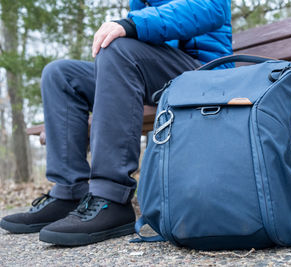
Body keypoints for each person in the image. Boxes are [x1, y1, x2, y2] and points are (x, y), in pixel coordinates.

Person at [0, 0, 232, 246]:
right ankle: (68, 194)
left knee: (118, 49)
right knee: (60, 75)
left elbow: (212, 9)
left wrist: (132, 24)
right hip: (157, 70)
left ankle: (111, 198)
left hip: (205, 71)